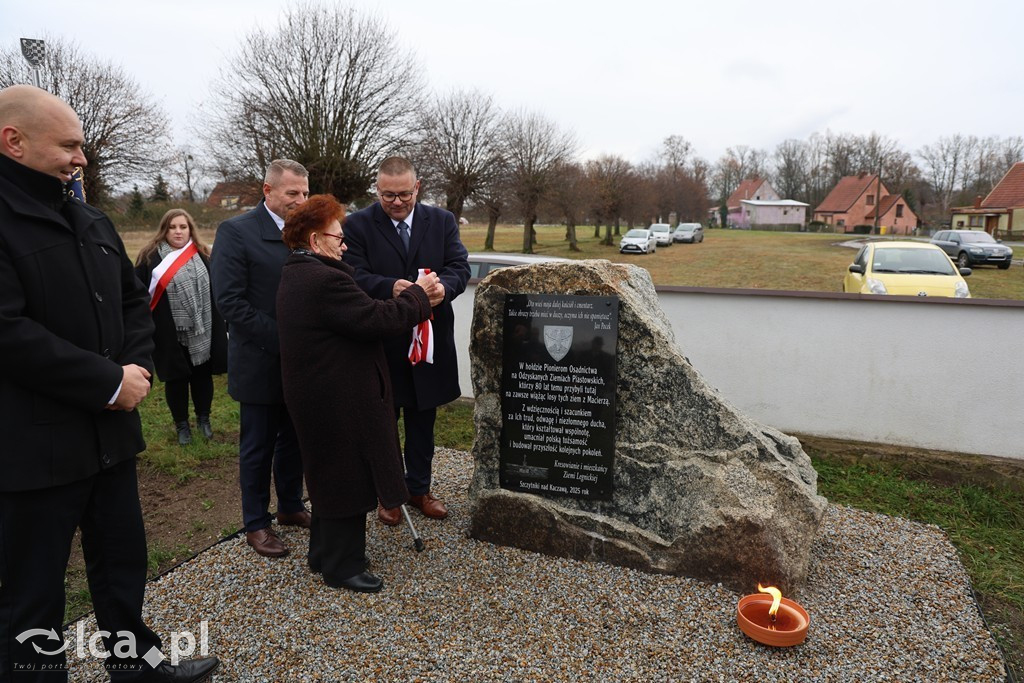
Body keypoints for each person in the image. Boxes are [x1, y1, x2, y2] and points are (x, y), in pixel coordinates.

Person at [0, 85, 218, 681]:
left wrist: (136, 369)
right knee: (32, 597)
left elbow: (130, 303)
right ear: (12, 141)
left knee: (122, 569)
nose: (82, 159)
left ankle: (138, 669)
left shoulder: (89, 218)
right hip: (34, 448)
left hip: (110, 438)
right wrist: (104, 380)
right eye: (68, 145)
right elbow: (7, 331)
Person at [276, 195, 442, 592]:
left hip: (322, 393)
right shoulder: (324, 279)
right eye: (338, 236)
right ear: (316, 241)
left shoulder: (299, 272)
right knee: (344, 476)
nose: (345, 244)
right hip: (335, 397)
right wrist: (418, 295)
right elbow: (374, 319)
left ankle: (324, 554)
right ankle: (343, 566)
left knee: (328, 473)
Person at [344, 156, 470, 525]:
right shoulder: (358, 225)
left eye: (403, 195)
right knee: (383, 423)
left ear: (417, 188)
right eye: (387, 196)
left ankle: (419, 489)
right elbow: (352, 273)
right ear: (376, 190)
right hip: (382, 343)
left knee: (422, 419)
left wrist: (442, 289)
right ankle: (388, 495)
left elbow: (458, 266)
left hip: (428, 340)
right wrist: (390, 287)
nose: (396, 203)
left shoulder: (442, 221)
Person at [210, 159, 311, 558]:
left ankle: (289, 505)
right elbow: (230, 302)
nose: (301, 201)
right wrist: (286, 340)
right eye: (293, 194)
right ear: (268, 191)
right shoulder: (236, 232)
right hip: (261, 361)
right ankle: (256, 522)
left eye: (304, 193)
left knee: (295, 441)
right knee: (258, 446)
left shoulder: (305, 231)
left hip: (301, 362)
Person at [135, 209, 227, 445]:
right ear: (164, 230)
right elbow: (137, 295)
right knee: (176, 379)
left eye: (182, 227)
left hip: (203, 331)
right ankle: (181, 425)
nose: (177, 231)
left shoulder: (205, 255)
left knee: (202, 377)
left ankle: (203, 419)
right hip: (168, 333)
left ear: (190, 229)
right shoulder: (149, 258)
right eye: (172, 227)